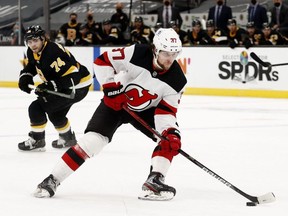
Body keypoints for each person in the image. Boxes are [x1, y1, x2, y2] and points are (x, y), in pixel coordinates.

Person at [33, 28, 187, 201]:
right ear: (155, 49)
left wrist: (169, 132)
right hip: (115, 103)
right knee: (92, 141)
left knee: (168, 140)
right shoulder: (136, 53)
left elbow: (166, 111)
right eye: (166, 53)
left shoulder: (178, 80)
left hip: (146, 110)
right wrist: (110, 88)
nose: (170, 59)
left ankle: (155, 180)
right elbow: (103, 61)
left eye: (174, 54)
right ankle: (52, 179)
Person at [18, 25, 92, 151]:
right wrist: (25, 76)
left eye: (35, 40)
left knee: (37, 107)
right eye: (29, 42)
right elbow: (32, 65)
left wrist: (51, 86)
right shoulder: (32, 51)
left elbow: (74, 76)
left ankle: (37, 140)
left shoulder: (52, 52)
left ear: (43, 39)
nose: (32, 45)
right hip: (69, 84)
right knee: (55, 113)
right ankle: (67, 139)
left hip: (77, 86)